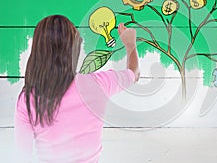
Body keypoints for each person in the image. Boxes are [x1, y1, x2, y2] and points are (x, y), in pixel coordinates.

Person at [14, 15, 139, 162]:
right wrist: (130, 44)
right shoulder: (97, 84)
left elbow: (22, 156)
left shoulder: (28, 100)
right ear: (74, 47)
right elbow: (134, 74)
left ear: (38, 50)